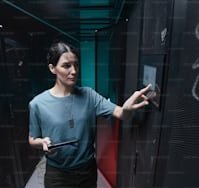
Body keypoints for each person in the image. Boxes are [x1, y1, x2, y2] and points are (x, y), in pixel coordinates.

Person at [28, 41, 152, 188]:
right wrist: (41, 143)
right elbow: (32, 139)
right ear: (52, 68)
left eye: (76, 65)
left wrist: (126, 108)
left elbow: (120, 113)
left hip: (86, 170)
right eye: (66, 65)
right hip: (58, 175)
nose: (73, 71)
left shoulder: (89, 95)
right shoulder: (38, 104)